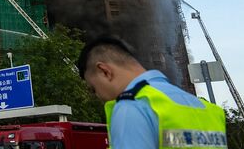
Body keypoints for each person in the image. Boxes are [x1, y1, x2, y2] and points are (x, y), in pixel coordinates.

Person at [77, 36, 227, 149]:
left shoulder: (132, 106)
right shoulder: (209, 111)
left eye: (93, 89)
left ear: (105, 71)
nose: (97, 96)